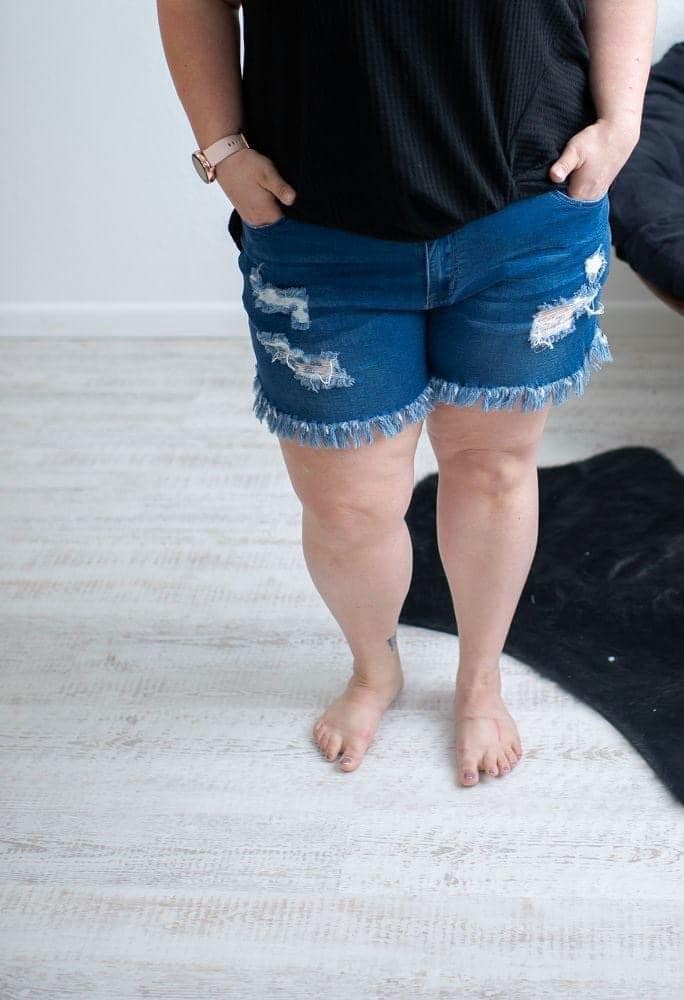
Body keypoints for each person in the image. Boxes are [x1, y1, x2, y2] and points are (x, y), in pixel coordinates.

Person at [156, 1, 656, 786]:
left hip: (529, 203)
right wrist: (220, 148)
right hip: (317, 221)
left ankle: (479, 680)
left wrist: (622, 121)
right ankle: (374, 669)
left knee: (493, 471)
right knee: (349, 509)